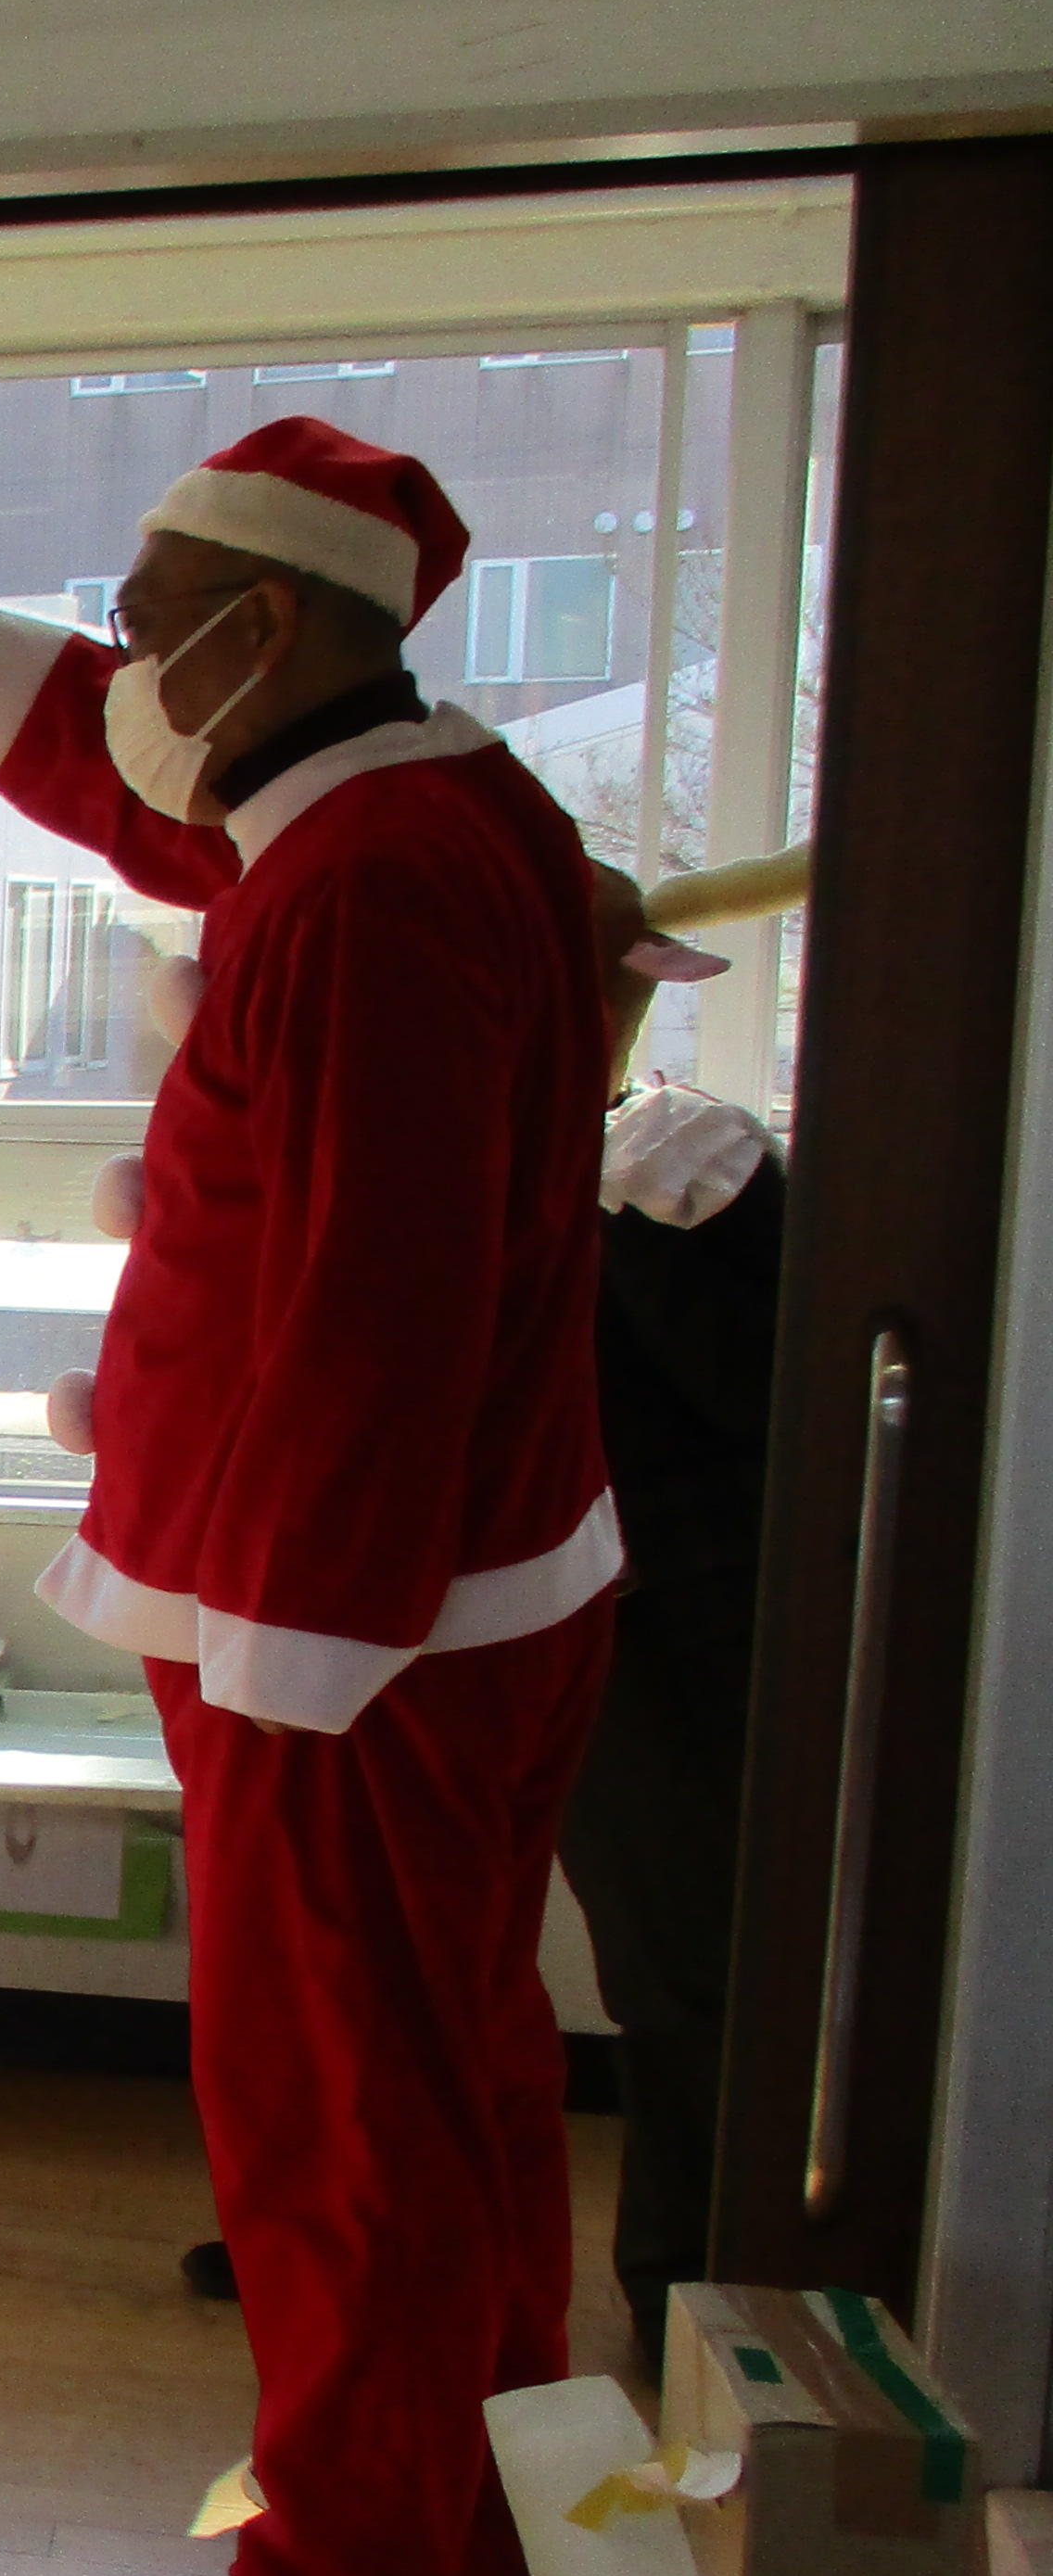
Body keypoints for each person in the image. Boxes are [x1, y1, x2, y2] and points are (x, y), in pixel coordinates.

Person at [0, 410, 620, 2576]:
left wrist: (299, 1659)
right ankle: (471, 2490)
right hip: (451, 1603)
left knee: (335, 2114)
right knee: (457, 2066)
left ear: (271, 631)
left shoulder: (376, 885)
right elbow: (142, 778)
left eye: (159, 616)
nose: (127, 660)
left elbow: (372, 1318)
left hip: (353, 1634)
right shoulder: (409, 795)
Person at [561, 877, 786, 2369]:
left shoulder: (675, 1170)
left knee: (684, 1977)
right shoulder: (529, 1167)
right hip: (554, 1629)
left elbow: (758, 1401)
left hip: (676, 1642)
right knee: (645, 1974)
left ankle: (685, 2300)